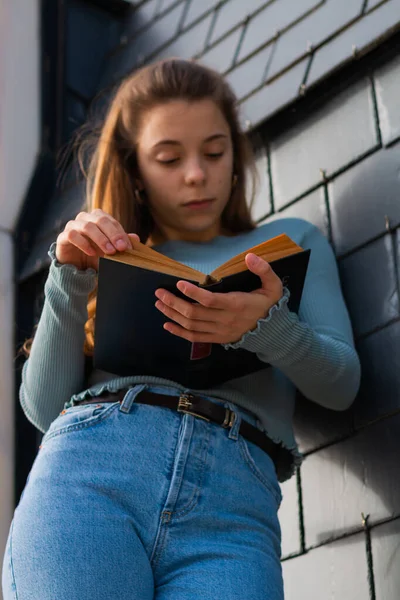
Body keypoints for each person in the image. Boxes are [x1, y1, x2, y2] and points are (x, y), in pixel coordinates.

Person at [2, 58, 361, 600]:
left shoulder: (292, 242)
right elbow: (44, 406)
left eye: (215, 152)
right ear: (135, 170)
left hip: (233, 510)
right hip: (93, 475)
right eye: (169, 158)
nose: (197, 174)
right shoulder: (110, 256)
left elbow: (342, 385)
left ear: (235, 157)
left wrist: (267, 327)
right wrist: (69, 278)